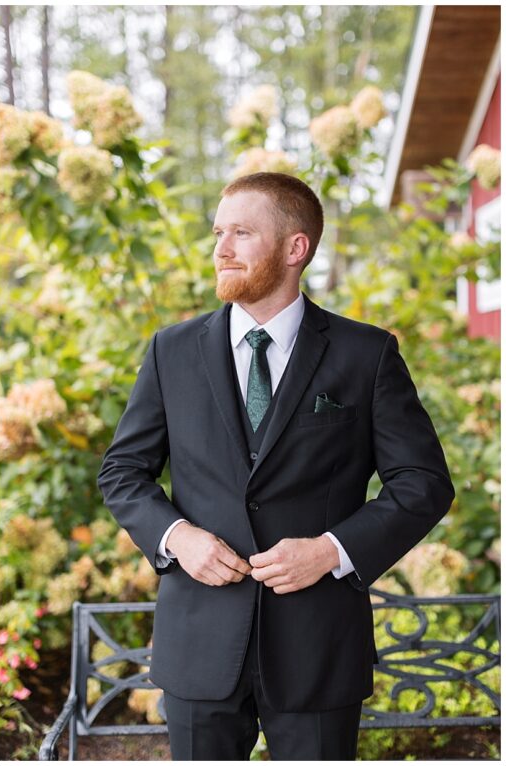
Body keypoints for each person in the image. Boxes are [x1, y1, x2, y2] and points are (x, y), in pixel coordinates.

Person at [98, 172, 453, 760]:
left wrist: (331, 550)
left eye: (241, 232)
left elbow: (423, 483)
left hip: (318, 646)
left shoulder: (366, 355)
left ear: (296, 248)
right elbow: (122, 471)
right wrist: (177, 536)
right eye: (218, 233)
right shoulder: (171, 351)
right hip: (199, 644)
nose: (221, 249)